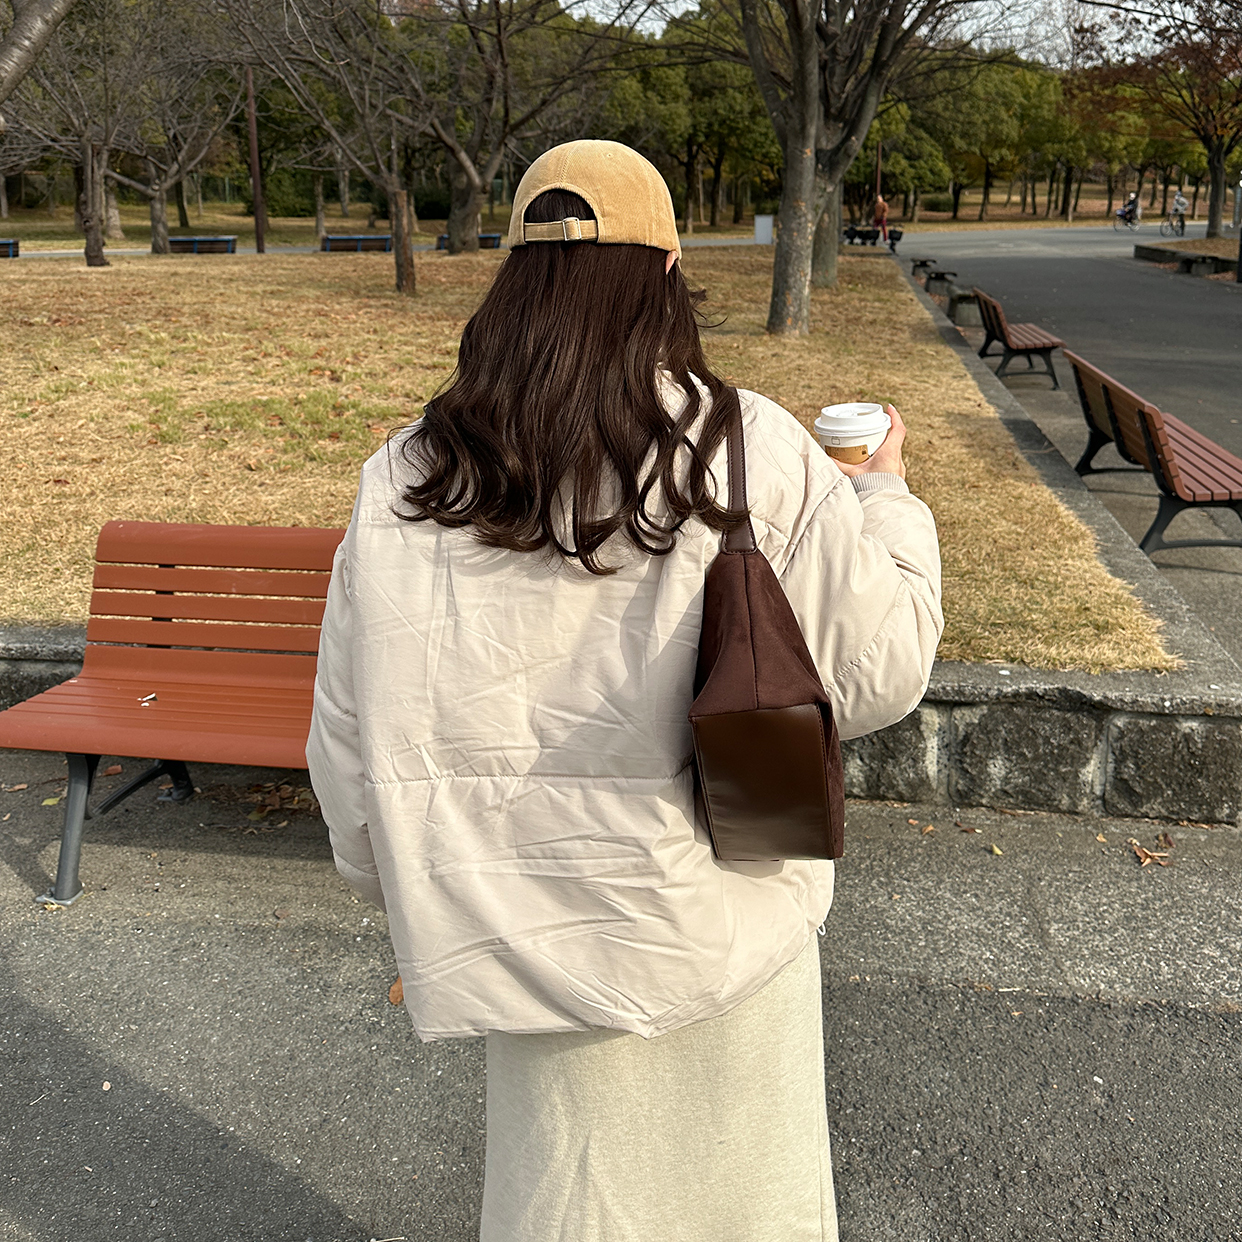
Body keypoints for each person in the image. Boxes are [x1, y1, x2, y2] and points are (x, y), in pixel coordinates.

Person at [306, 139, 943, 1242]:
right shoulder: (747, 448)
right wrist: (883, 499)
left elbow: (347, 730)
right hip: (720, 903)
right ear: (668, 273)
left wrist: (394, 874)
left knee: (568, 1196)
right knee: (743, 1204)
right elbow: (879, 670)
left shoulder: (410, 473)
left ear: (515, 276)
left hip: (512, 916)